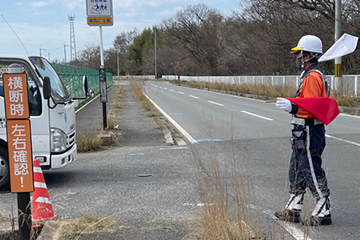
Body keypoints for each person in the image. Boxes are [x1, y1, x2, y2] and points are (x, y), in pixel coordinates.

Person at [274, 35, 332, 226]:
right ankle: (294, 207)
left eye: (301, 54)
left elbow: (314, 106)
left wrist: (293, 107)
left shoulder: (313, 77)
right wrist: (293, 105)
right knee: (297, 168)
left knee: (310, 169)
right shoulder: (311, 75)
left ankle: (323, 206)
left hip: (309, 129)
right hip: (303, 129)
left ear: (308, 55)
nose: (298, 57)